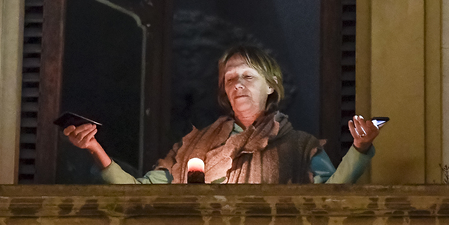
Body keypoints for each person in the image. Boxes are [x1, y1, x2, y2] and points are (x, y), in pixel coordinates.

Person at [64, 45, 381, 184]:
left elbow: (330, 196)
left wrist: (360, 149)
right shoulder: (195, 147)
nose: (238, 85)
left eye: (248, 76)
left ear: (271, 87)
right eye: (230, 79)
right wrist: (95, 149)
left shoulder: (300, 146)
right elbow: (140, 192)